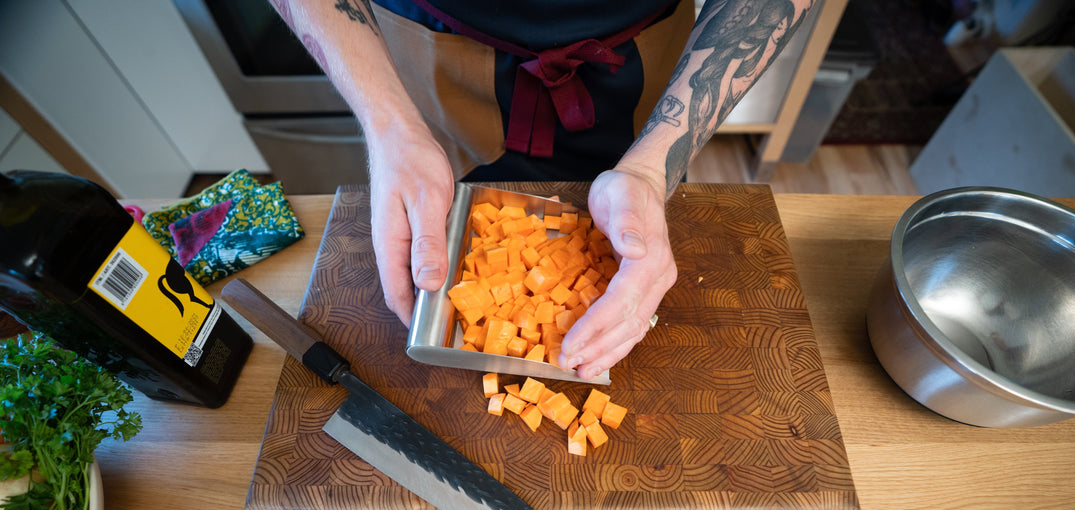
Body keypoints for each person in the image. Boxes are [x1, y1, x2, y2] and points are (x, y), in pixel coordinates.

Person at [270, 0, 816, 379]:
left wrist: (649, 173)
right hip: (428, 54)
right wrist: (391, 128)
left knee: (629, 233)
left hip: (646, 62)